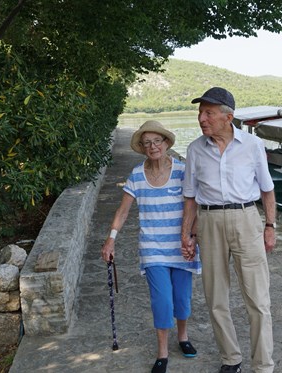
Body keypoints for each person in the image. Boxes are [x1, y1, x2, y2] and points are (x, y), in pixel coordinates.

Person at [181, 87, 277, 373]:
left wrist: (270, 226)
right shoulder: (195, 149)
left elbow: (267, 190)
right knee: (215, 297)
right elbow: (189, 197)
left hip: (246, 218)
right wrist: (187, 234)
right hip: (209, 222)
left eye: (208, 112)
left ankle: (262, 365)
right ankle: (230, 358)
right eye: (200, 112)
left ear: (228, 117)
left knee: (258, 299)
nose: (201, 118)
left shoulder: (251, 145)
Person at [101, 121, 201, 373]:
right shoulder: (137, 175)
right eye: (147, 143)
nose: (152, 146)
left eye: (157, 141)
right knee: (162, 300)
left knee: (181, 298)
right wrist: (111, 238)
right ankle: (162, 353)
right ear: (143, 148)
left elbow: (195, 205)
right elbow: (123, 211)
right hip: (153, 247)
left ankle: (183, 337)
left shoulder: (182, 170)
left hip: (182, 245)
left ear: (166, 143)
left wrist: (193, 236)